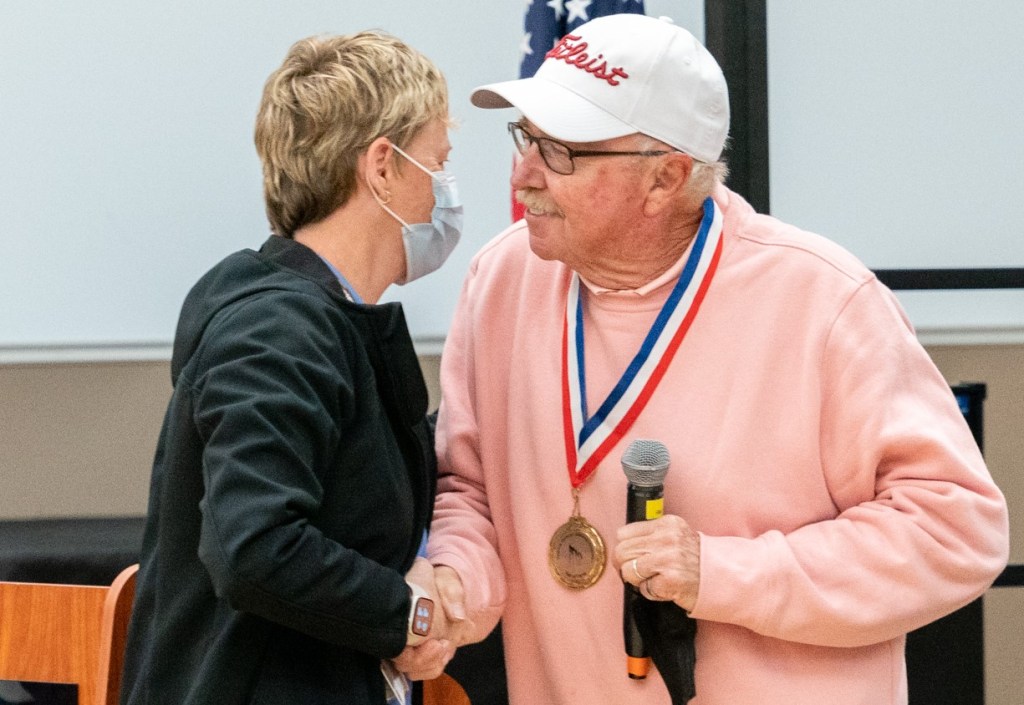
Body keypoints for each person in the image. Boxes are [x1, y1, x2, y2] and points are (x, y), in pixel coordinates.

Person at [425, 13, 1009, 705]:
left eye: (560, 151)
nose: (522, 175)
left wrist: (723, 572)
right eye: (524, 137)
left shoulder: (825, 301)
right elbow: (470, 494)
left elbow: (957, 529)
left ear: (665, 177)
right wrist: (456, 582)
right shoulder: (499, 281)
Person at [120, 31, 468, 705]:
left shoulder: (318, 322)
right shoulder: (273, 331)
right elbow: (255, 545)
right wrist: (407, 612)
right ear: (382, 166)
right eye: (438, 163)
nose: (446, 195)